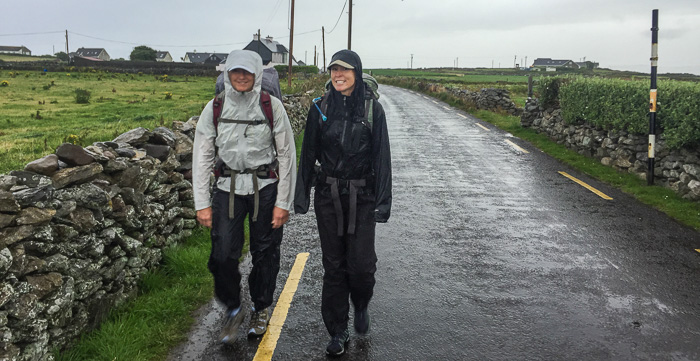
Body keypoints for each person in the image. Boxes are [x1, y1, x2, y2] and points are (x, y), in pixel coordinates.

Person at [192, 50, 296, 343]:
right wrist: (202, 203)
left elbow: (287, 154)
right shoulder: (214, 107)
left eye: (247, 72)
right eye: (235, 71)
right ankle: (234, 306)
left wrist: (283, 203)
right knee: (222, 254)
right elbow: (202, 156)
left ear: (256, 75)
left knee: (265, 252)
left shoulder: (271, 106)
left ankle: (261, 307)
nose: (241, 76)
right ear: (227, 73)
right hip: (227, 188)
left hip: (266, 188)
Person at [294, 49, 392, 356]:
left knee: (361, 267)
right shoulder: (320, 108)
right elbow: (308, 153)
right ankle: (337, 330)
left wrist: (382, 201)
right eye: (334, 69)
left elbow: (382, 157)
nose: (339, 75)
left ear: (357, 73)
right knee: (333, 266)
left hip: (362, 197)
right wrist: (301, 196)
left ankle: (361, 302)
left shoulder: (373, 109)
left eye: (345, 70)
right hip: (328, 195)